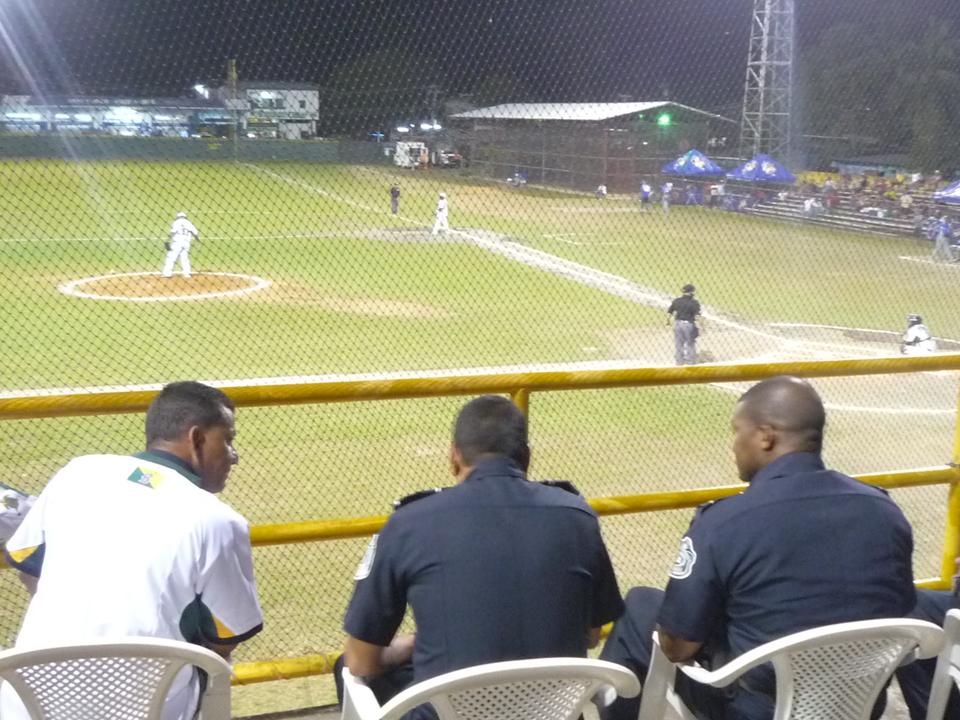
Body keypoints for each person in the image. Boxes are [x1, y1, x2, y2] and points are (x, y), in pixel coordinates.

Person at [600, 376, 916, 720]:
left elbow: (677, 647)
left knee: (640, 606)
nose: (733, 445)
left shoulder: (724, 522)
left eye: (738, 431)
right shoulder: (885, 511)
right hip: (859, 704)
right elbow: (899, 610)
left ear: (766, 436)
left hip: (757, 709)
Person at [340, 395, 624, 715]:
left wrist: (412, 645)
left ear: (454, 458)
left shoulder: (409, 523)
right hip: (554, 710)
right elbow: (590, 635)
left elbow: (361, 661)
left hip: (449, 712)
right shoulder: (578, 517)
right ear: (527, 458)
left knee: (349, 669)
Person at [1, 381, 264, 720]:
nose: (234, 456)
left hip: (25, 706)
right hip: (149, 712)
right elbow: (225, 638)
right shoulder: (219, 521)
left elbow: (26, 564)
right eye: (227, 440)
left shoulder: (77, 472)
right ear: (197, 439)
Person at [667, 284, 702, 366]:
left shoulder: (677, 301)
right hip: (688, 324)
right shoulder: (694, 302)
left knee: (679, 344)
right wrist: (700, 326)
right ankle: (690, 363)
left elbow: (669, 312)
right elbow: (697, 316)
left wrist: (668, 322)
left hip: (677, 324)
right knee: (690, 344)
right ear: (691, 292)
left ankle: (679, 363)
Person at [161, 211, 200, 278]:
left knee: (171, 257)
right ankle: (187, 273)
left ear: (178, 217)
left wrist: (167, 240)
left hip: (177, 243)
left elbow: (173, 232)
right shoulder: (189, 223)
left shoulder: (176, 222)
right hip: (187, 243)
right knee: (185, 258)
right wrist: (198, 241)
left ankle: (167, 273)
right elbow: (195, 233)